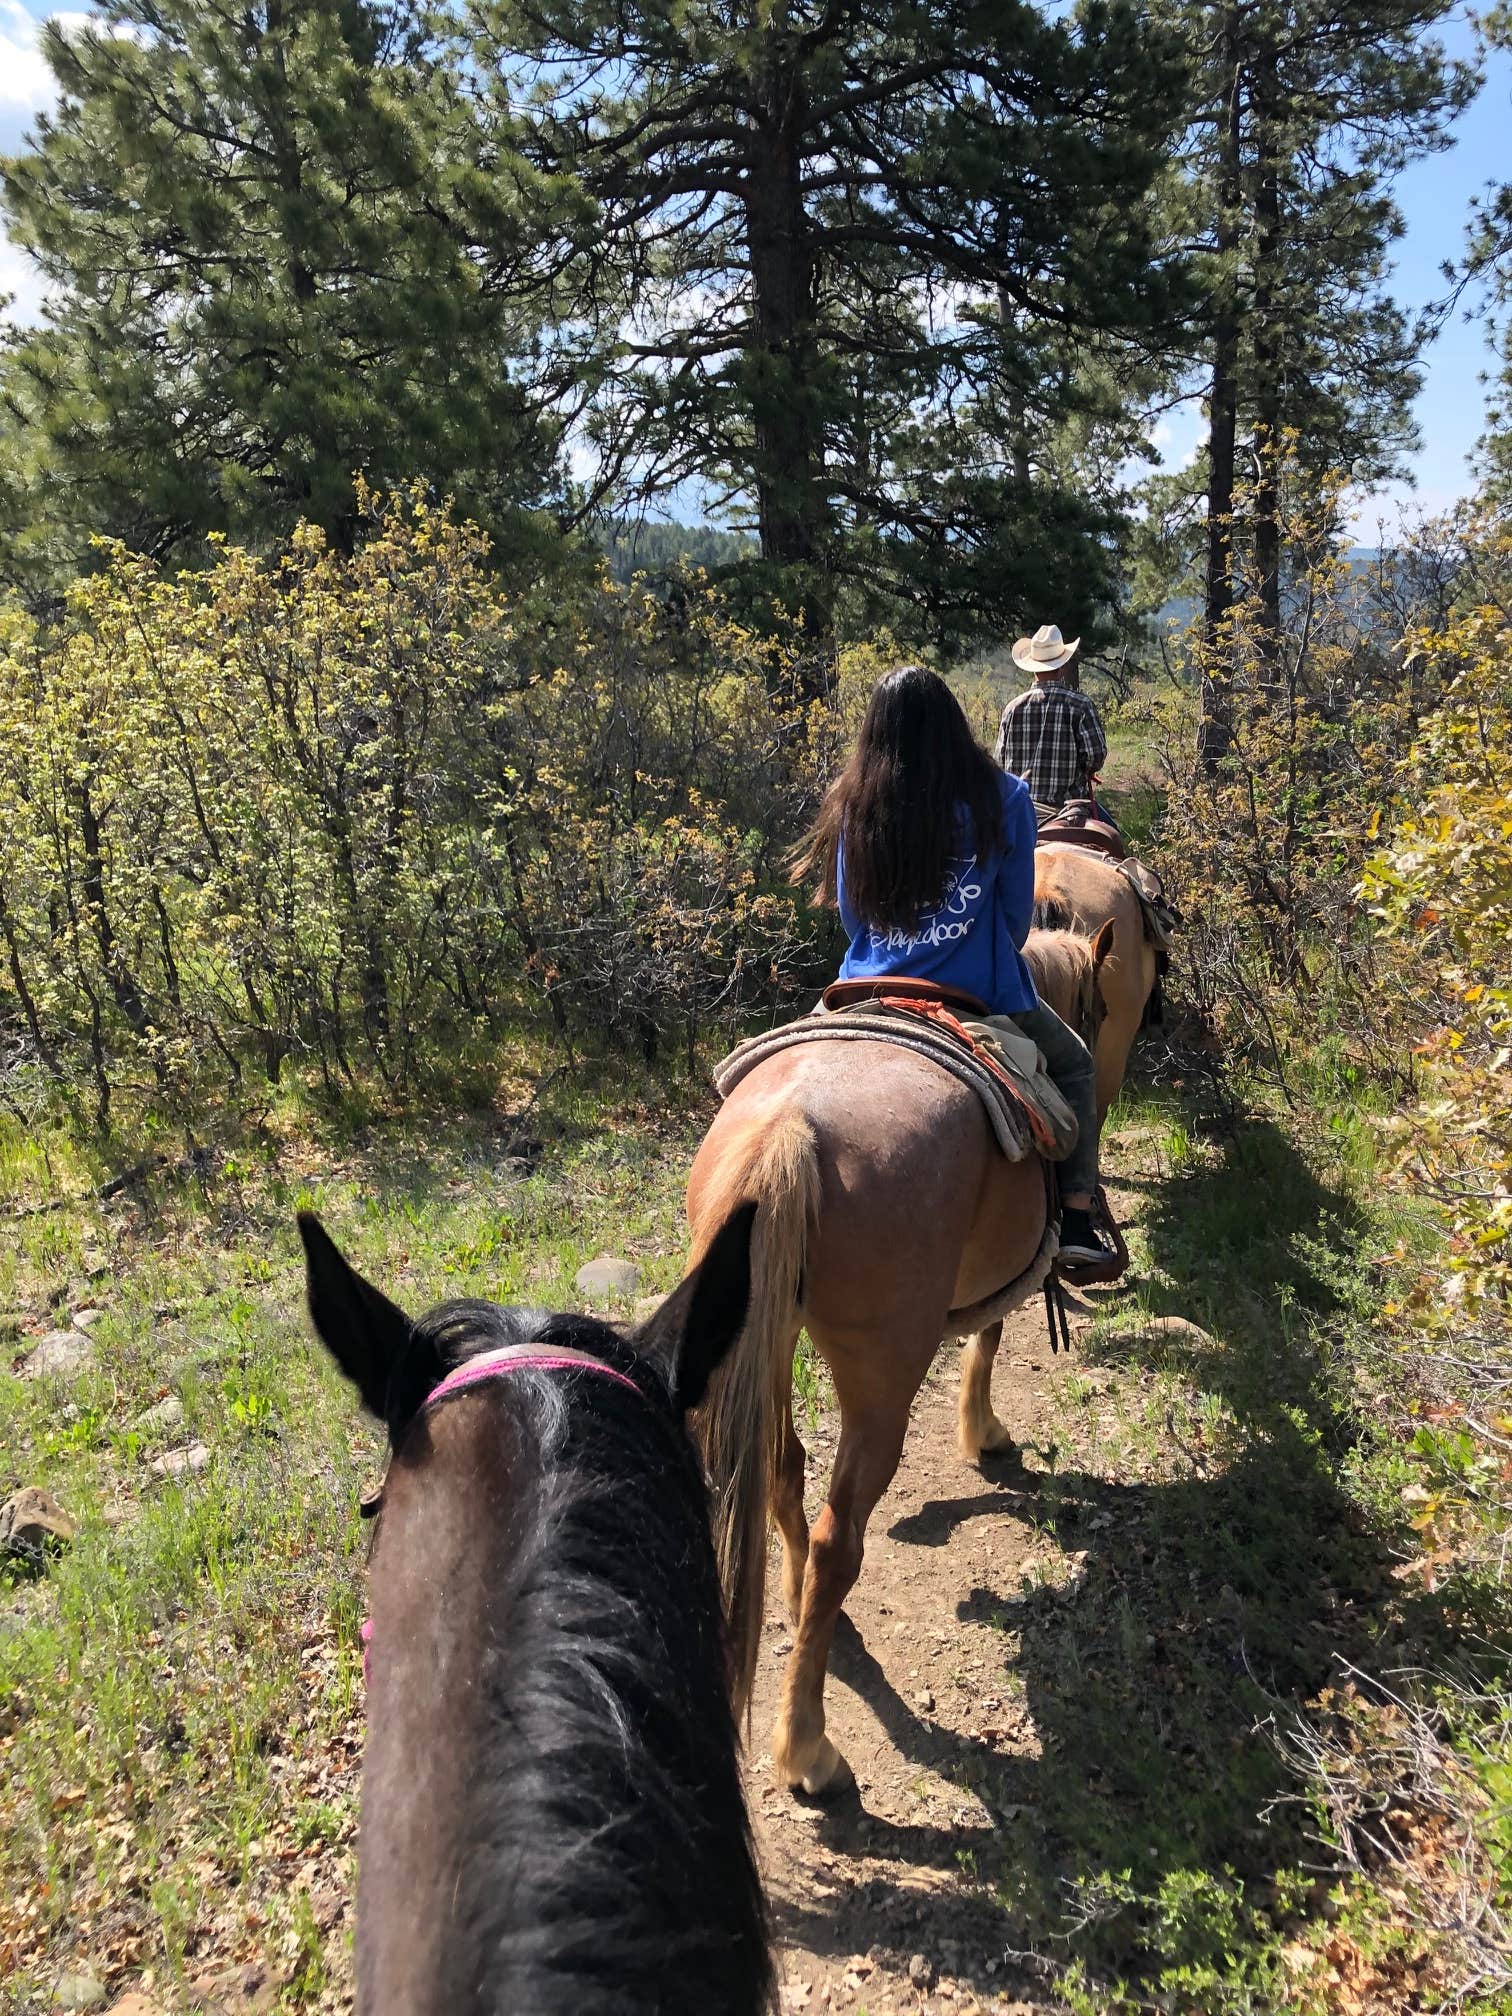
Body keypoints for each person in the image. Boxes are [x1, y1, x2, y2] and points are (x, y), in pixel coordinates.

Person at [792, 665, 1116, 1266]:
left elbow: (852, 919)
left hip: (865, 983)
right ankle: (1075, 1220)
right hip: (979, 988)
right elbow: (1017, 923)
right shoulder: (1005, 798)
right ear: (953, 723)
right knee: (1073, 1066)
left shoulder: (855, 802)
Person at [994, 623, 1108, 821]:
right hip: (1068, 810)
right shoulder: (1080, 705)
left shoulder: (1012, 709)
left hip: (1020, 810)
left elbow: (999, 762)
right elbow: (1096, 757)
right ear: (1062, 665)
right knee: (1113, 837)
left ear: (1032, 666)